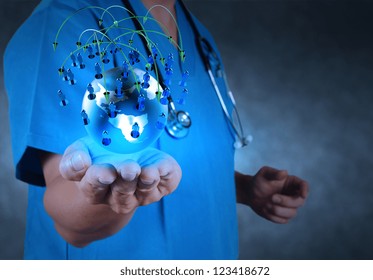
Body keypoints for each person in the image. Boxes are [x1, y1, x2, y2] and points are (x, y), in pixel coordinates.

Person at [4, 0, 309, 260]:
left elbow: (173, 154)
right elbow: (67, 210)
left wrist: (243, 188)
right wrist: (114, 193)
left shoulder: (196, 34)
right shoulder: (62, 25)